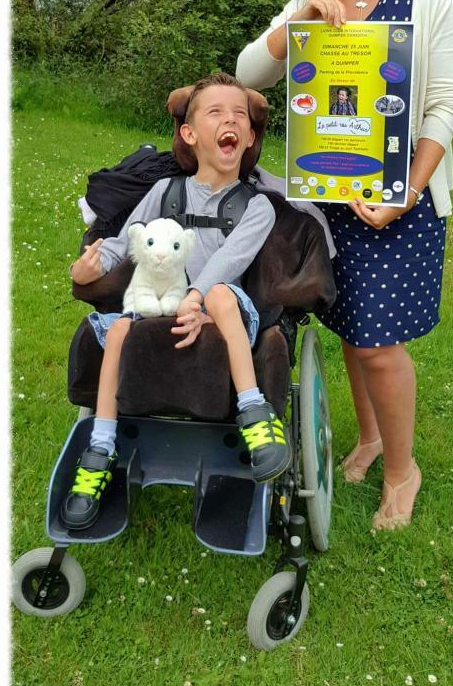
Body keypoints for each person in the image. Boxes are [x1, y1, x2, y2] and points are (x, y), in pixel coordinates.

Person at [237, 0, 453, 531]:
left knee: (376, 342)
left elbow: (445, 102)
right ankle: (367, 439)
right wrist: (296, 24)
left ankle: (403, 469)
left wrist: (408, 189)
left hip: (400, 198)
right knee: (346, 327)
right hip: (327, 196)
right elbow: (250, 74)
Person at [61, 73, 291, 530]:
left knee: (223, 291)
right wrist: (90, 264)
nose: (230, 120)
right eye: (216, 113)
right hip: (160, 306)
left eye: (239, 116)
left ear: (248, 138)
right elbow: (130, 239)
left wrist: (197, 297)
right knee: (121, 328)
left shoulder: (257, 206)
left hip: (224, 315)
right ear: (189, 134)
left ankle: (253, 412)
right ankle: (100, 449)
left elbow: (231, 258)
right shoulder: (165, 193)